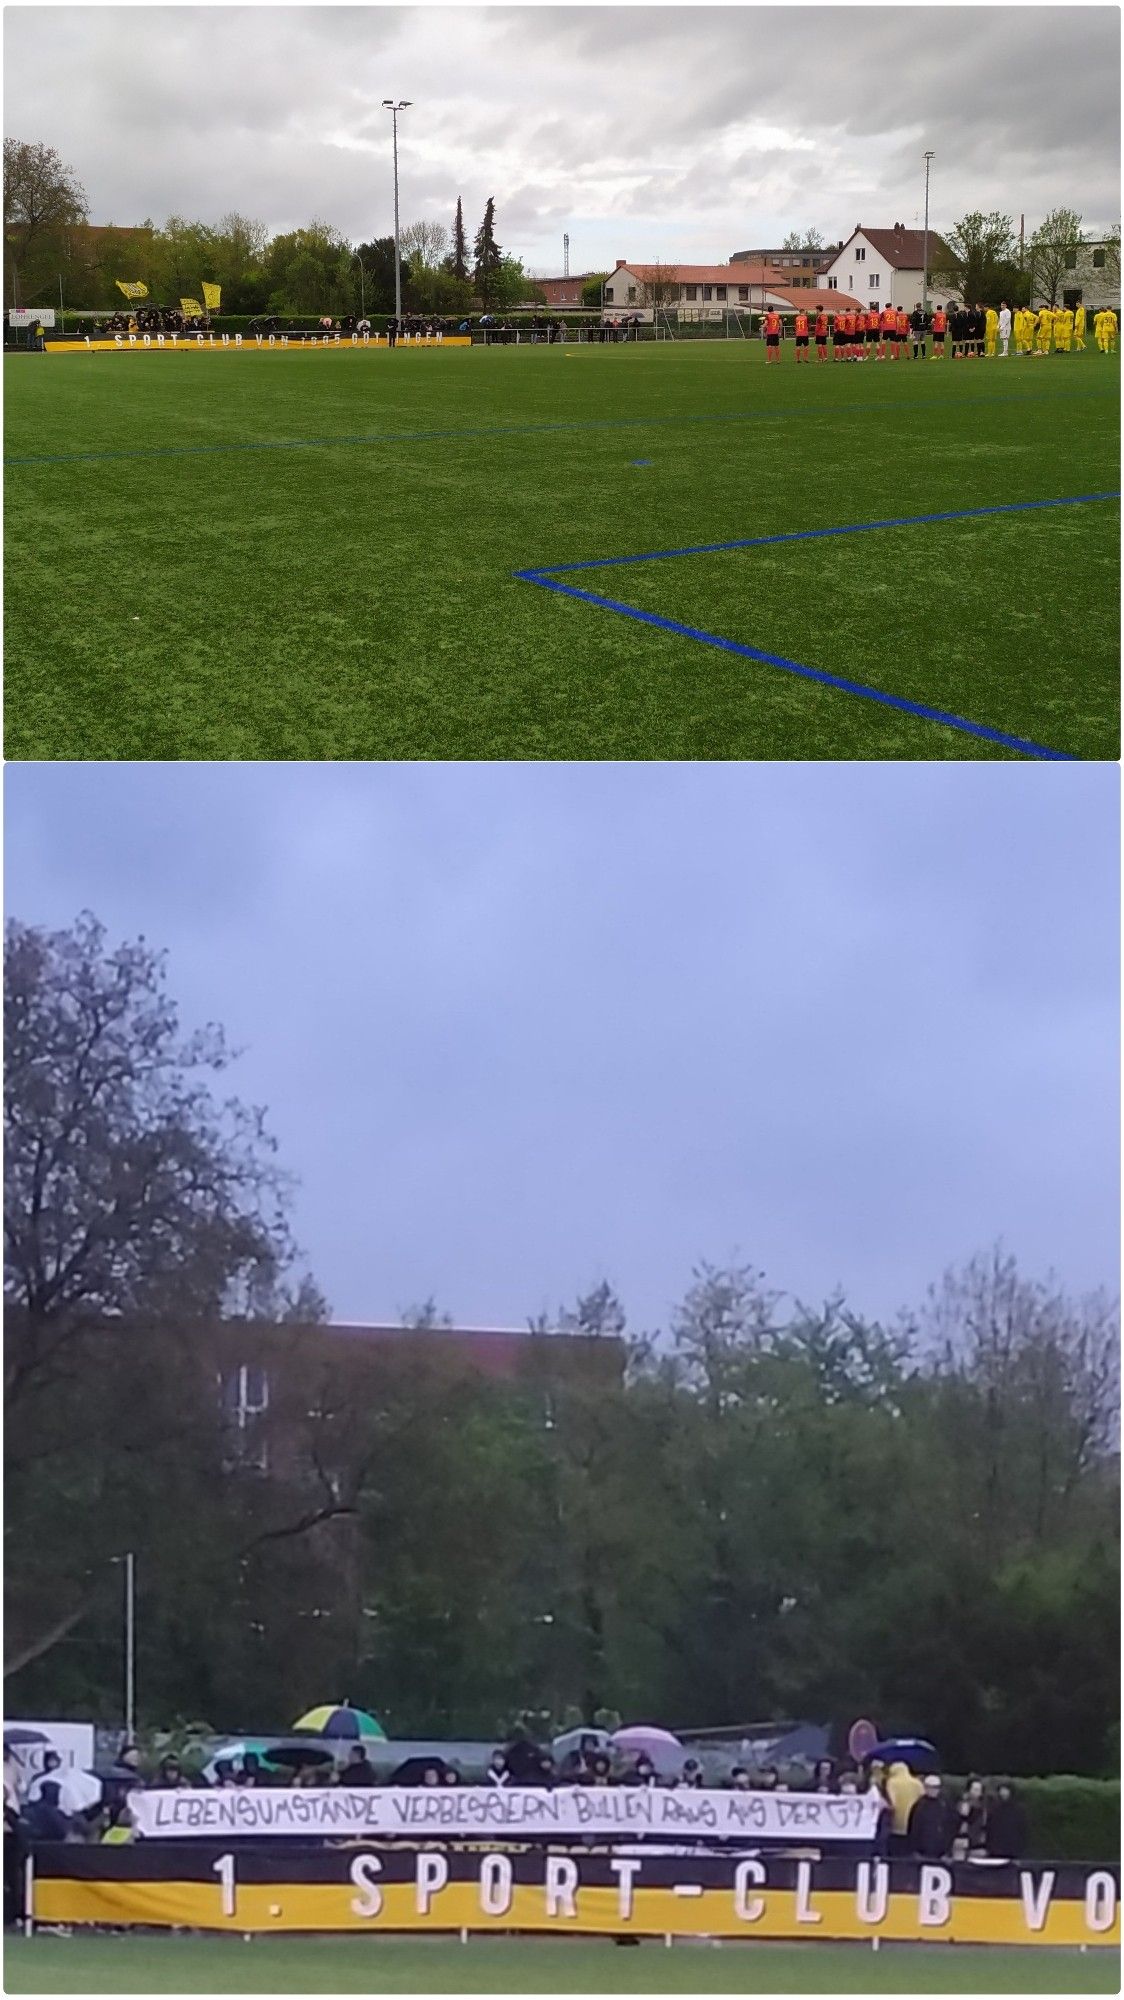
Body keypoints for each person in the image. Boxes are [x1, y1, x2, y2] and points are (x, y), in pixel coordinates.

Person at [907, 1773, 954, 1859]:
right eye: (931, 1787)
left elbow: (950, 1826)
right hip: (923, 1852)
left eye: (936, 1787)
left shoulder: (945, 1804)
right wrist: (915, 1851)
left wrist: (947, 1851)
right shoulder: (919, 1805)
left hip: (940, 1853)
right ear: (925, 1788)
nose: (934, 1790)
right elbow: (913, 1828)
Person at [885, 1761, 924, 1856]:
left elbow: (892, 1801)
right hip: (914, 1821)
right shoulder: (917, 1783)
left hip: (897, 1821)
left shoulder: (891, 1782)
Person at [985, 1781, 1028, 1859]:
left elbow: (1022, 1829)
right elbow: (989, 1829)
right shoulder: (993, 1808)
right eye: (1002, 1790)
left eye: (1006, 1790)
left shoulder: (1019, 1809)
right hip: (995, 1850)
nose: (1003, 1793)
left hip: (1013, 1849)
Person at [951, 1776, 987, 1858]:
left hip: (977, 1843)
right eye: (974, 1789)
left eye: (979, 1790)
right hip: (961, 1841)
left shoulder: (983, 1807)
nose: (977, 1792)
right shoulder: (961, 1804)